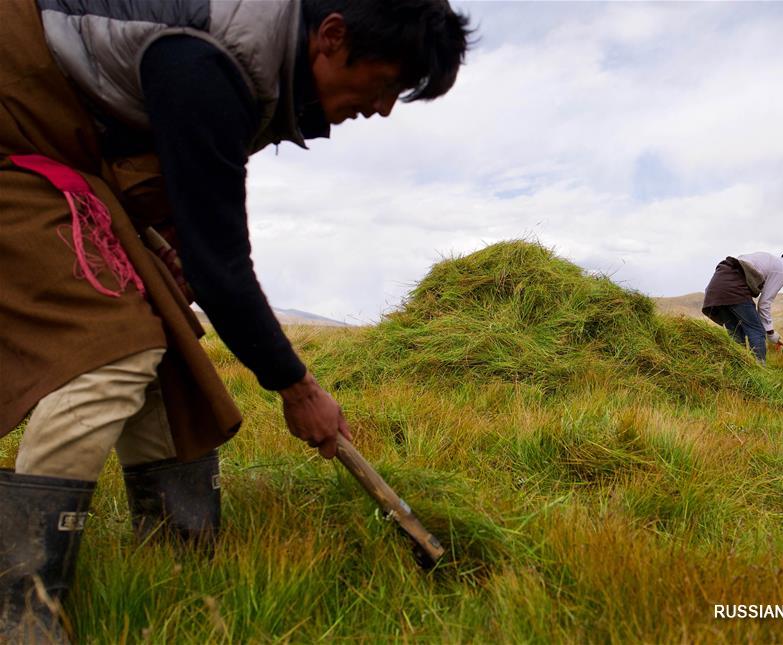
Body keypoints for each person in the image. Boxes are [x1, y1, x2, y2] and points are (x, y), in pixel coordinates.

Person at [0, 0, 473, 639]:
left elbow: (189, 198)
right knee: (110, 349)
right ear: (332, 36)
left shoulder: (256, 65)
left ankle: (179, 571)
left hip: (66, 149)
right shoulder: (211, 62)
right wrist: (297, 388)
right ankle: (20, 610)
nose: (383, 108)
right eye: (386, 84)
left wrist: (165, 240)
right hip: (17, 130)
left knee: (169, 341)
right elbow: (222, 264)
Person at [701, 248, 783, 362]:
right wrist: (770, 332)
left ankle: (739, 367)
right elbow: (764, 303)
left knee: (736, 332)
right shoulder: (781, 270)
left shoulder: (768, 260)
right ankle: (759, 369)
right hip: (734, 287)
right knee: (757, 331)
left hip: (715, 289)